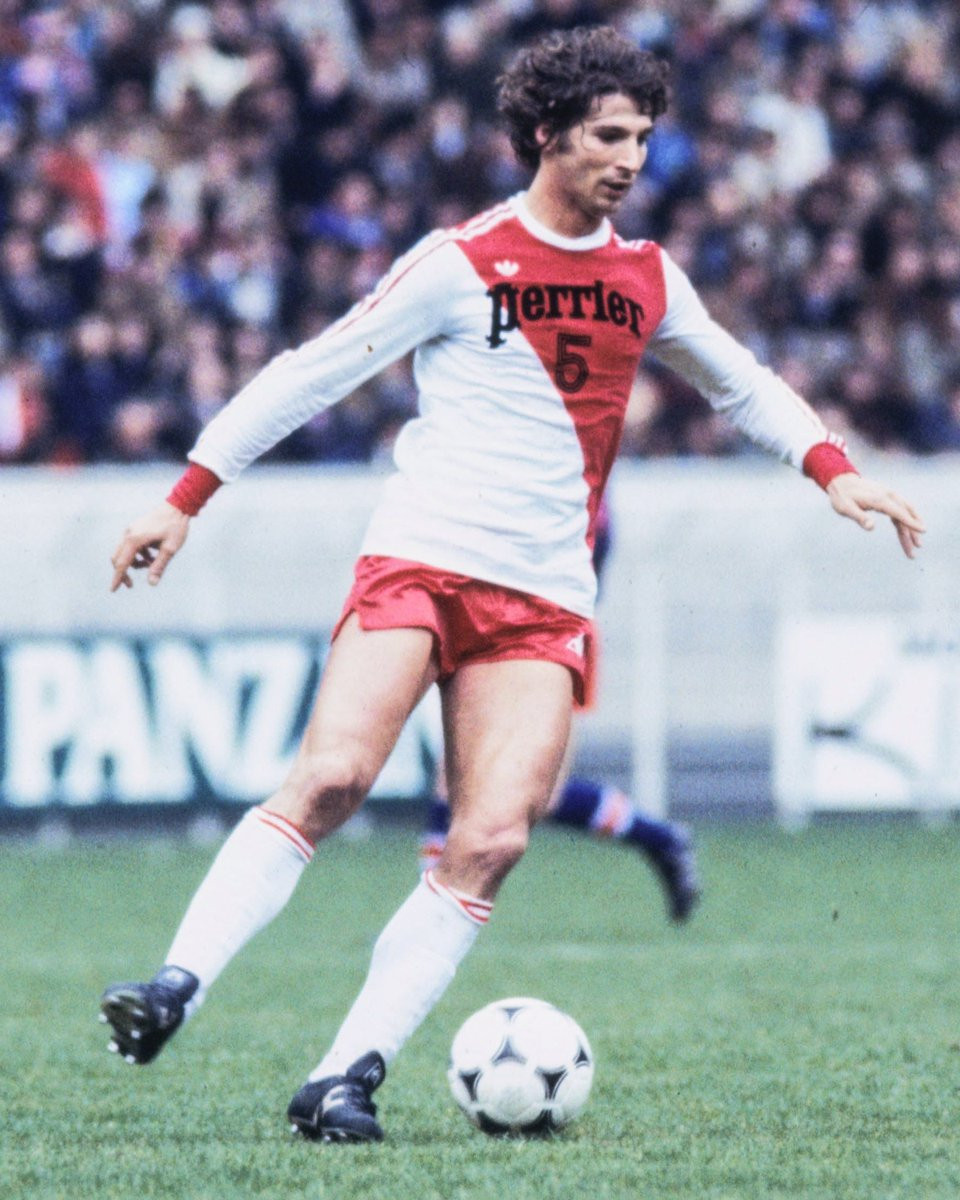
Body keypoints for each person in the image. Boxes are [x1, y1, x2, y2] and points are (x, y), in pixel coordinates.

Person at [100, 26, 925, 1144]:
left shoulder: (648, 277)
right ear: (546, 133)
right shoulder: (462, 260)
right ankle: (175, 986)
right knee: (335, 774)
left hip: (542, 596)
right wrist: (185, 496)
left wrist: (835, 470)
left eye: (643, 137)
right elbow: (314, 372)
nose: (631, 159)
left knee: (491, 840)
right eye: (608, 136)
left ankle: (341, 1079)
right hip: (422, 560)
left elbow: (741, 382)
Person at [418, 497, 702, 923]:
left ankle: (659, 838)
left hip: (556, 634)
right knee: (454, 775)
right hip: (490, 622)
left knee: (544, 793)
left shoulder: (578, 492)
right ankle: (425, 913)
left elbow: (590, 552)